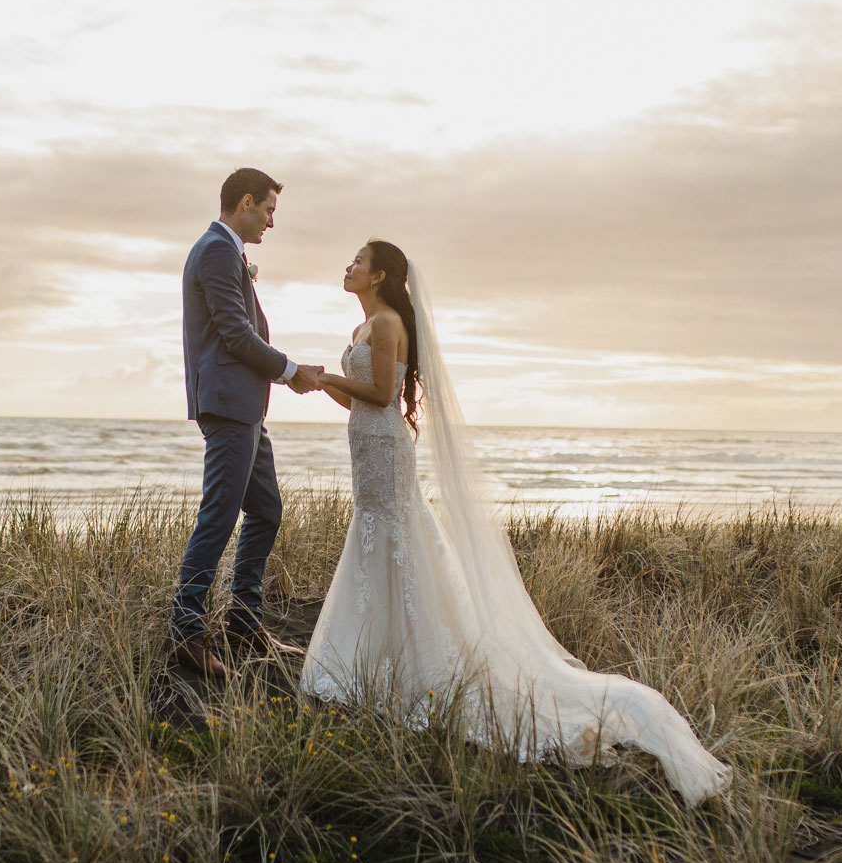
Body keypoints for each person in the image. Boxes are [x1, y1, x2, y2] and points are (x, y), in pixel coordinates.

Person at [303, 240, 731, 805]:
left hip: (384, 451)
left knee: (397, 541)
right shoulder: (363, 329)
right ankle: (374, 656)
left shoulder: (385, 322)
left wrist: (324, 379)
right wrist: (324, 385)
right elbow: (364, 404)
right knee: (378, 540)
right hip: (370, 449)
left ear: (379, 275)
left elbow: (383, 395)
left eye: (357, 260)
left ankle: (411, 662)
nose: (348, 265)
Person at [168, 167, 326, 681]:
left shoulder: (226, 252)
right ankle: (185, 632)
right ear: (246, 202)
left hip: (246, 408)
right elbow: (235, 335)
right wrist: (291, 371)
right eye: (269, 211)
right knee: (220, 514)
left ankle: (242, 621)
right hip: (230, 406)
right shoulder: (215, 250)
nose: (271, 223)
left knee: (266, 511)